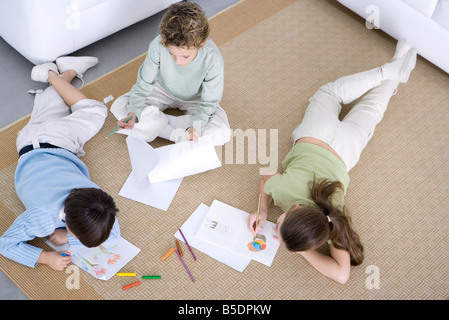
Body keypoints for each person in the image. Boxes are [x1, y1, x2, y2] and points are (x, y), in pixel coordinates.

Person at [247, 40, 417, 284]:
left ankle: (394, 67)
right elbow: (265, 173)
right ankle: (387, 71)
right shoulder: (285, 191)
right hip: (314, 134)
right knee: (330, 93)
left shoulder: (333, 219)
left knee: (372, 108)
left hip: (346, 149)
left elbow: (341, 275)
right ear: (295, 209)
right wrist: (265, 211)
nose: (274, 228)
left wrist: (301, 246)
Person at [0, 57, 120, 271]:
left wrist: (68, 234)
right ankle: (58, 74)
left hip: (50, 139)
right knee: (96, 111)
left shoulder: (95, 196)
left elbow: (112, 233)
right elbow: (5, 244)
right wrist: (45, 257)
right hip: (29, 140)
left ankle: (63, 74)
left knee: (71, 110)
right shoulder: (42, 219)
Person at [111, 1, 231, 146]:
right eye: (171, 54)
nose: (178, 62)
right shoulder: (158, 45)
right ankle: (181, 133)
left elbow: (209, 101)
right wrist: (133, 113)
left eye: (185, 56)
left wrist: (196, 125)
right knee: (119, 106)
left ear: (202, 44)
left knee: (221, 133)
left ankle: (166, 127)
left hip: (195, 98)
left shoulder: (213, 58)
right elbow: (144, 84)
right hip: (161, 89)